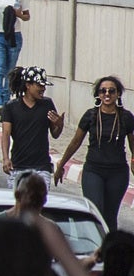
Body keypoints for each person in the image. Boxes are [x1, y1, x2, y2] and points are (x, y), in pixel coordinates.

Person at [56, 75, 130, 227]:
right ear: (98, 94)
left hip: (118, 172)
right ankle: (96, 247)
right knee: (95, 212)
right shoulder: (90, 116)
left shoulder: (126, 117)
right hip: (93, 170)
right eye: (103, 91)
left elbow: (133, 145)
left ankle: (109, 249)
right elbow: (75, 142)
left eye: (111, 91)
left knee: (110, 217)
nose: (107, 94)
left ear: (118, 94)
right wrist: (60, 165)